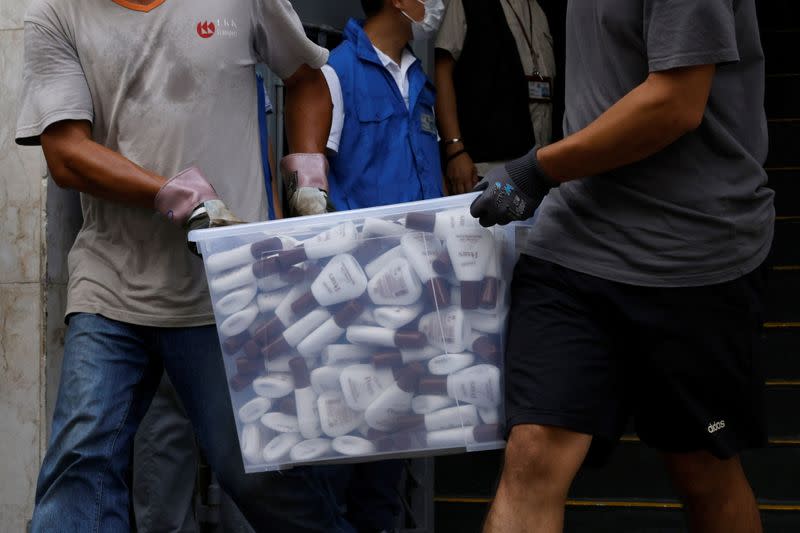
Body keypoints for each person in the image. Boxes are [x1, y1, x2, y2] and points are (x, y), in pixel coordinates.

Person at [14, 0, 352, 530]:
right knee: (82, 462)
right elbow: (65, 152)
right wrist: (176, 195)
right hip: (112, 288)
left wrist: (307, 174)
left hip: (227, 289)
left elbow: (308, 78)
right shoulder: (56, 12)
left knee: (261, 475)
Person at [469, 1, 774, 532]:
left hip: (692, 256)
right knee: (532, 457)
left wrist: (536, 170)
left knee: (704, 472)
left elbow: (676, 102)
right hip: (574, 242)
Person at [300, 1, 445, 530]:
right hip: (353, 304)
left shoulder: (420, 81)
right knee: (339, 459)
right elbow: (311, 185)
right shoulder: (336, 74)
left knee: (389, 458)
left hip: (414, 301)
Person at [434, 0, 555, 194]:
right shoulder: (463, 3)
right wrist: (455, 149)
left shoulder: (540, 8)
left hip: (539, 167)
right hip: (485, 167)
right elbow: (442, 70)